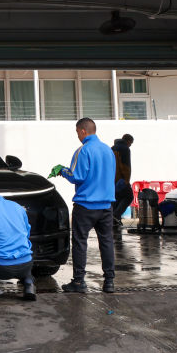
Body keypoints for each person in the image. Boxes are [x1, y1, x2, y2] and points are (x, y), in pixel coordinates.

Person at [57, 118, 116, 293]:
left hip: (85, 206)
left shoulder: (83, 151)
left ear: (83, 131)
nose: (77, 136)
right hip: (106, 206)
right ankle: (109, 282)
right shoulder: (108, 150)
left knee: (80, 242)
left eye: (77, 132)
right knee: (106, 242)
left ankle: (79, 282)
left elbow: (77, 176)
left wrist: (62, 171)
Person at [111, 134, 134, 230]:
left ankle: (114, 221)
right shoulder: (125, 149)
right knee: (129, 196)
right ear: (128, 141)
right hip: (121, 179)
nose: (130, 145)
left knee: (117, 199)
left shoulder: (112, 148)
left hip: (112, 180)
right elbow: (125, 166)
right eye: (131, 143)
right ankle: (116, 215)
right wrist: (126, 180)